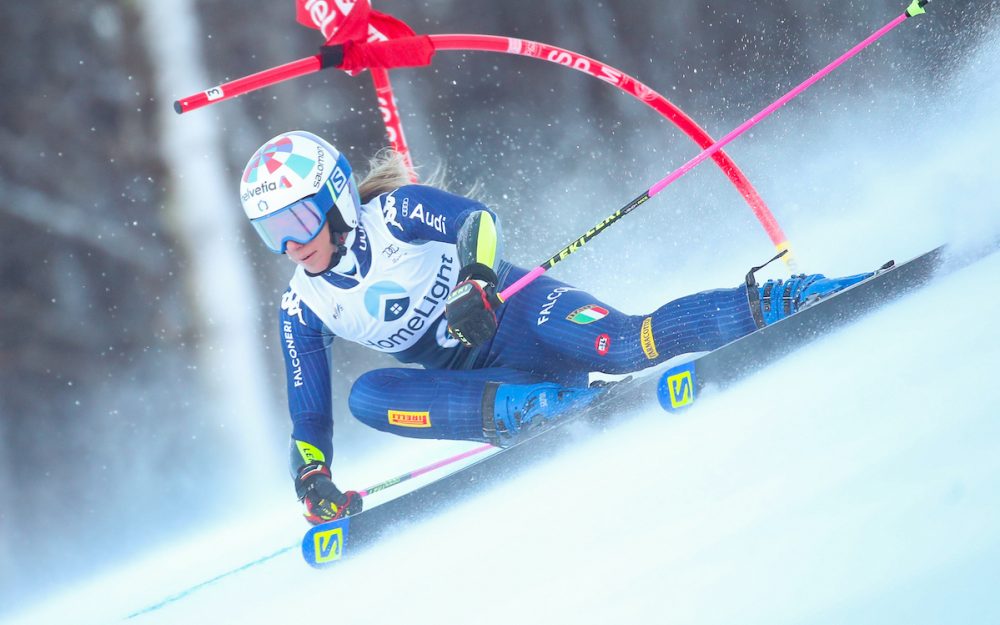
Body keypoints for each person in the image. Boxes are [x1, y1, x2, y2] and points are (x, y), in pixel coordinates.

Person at [239, 130, 872, 525]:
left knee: (627, 343)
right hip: (485, 386)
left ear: (337, 200)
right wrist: (311, 476)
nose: (290, 245)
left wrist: (477, 280)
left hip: (523, 314)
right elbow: (310, 411)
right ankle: (539, 409)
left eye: (297, 221)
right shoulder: (303, 305)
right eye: (272, 232)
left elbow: (476, 220)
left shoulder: (393, 214)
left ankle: (781, 301)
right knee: (366, 397)